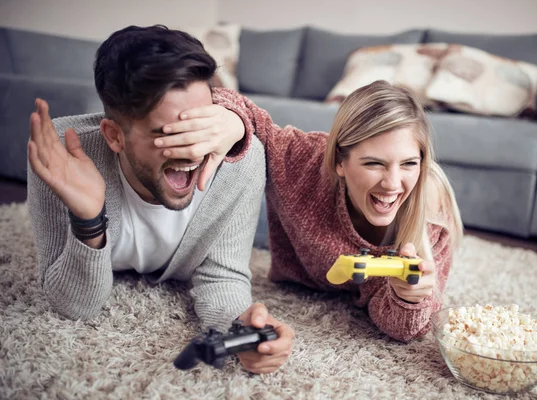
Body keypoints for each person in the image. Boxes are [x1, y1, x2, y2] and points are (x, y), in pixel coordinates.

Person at [26, 25, 294, 374]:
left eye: (198, 125)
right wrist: (88, 219)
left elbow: (222, 276)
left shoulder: (239, 161)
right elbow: (73, 307)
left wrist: (243, 329)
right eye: (168, 134)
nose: (192, 149)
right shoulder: (60, 159)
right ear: (114, 136)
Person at [154, 80, 464, 342]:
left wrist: (408, 299)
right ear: (340, 162)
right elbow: (229, 100)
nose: (393, 183)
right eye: (374, 163)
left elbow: (407, 330)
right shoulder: (303, 160)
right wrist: (233, 120)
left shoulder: (432, 213)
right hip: (278, 255)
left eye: (409, 163)